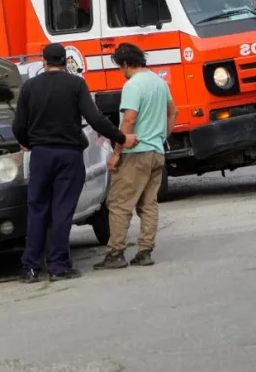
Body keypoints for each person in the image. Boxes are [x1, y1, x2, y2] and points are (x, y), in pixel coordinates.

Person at [13, 42, 139, 283]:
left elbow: (18, 125)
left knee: (37, 210)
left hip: (40, 155)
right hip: (68, 155)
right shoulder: (76, 84)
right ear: (65, 62)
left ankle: (31, 268)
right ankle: (58, 267)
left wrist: (28, 142)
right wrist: (121, 138)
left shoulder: (29, 87)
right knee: (62, 210)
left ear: (43, 61)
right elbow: (95, 118)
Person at [94, 43, 176, 270]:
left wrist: (116, 152)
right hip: (156, 152)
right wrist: (161, 136)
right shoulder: (159, 82)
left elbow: (129, 119)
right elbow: (173, 112)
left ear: (125, 63)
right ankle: (145, 251)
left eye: (119, 66)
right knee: (148, 203)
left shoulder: (132, 85)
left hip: (135, 153)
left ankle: (116, 253)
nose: (120, 71)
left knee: (119, 203)